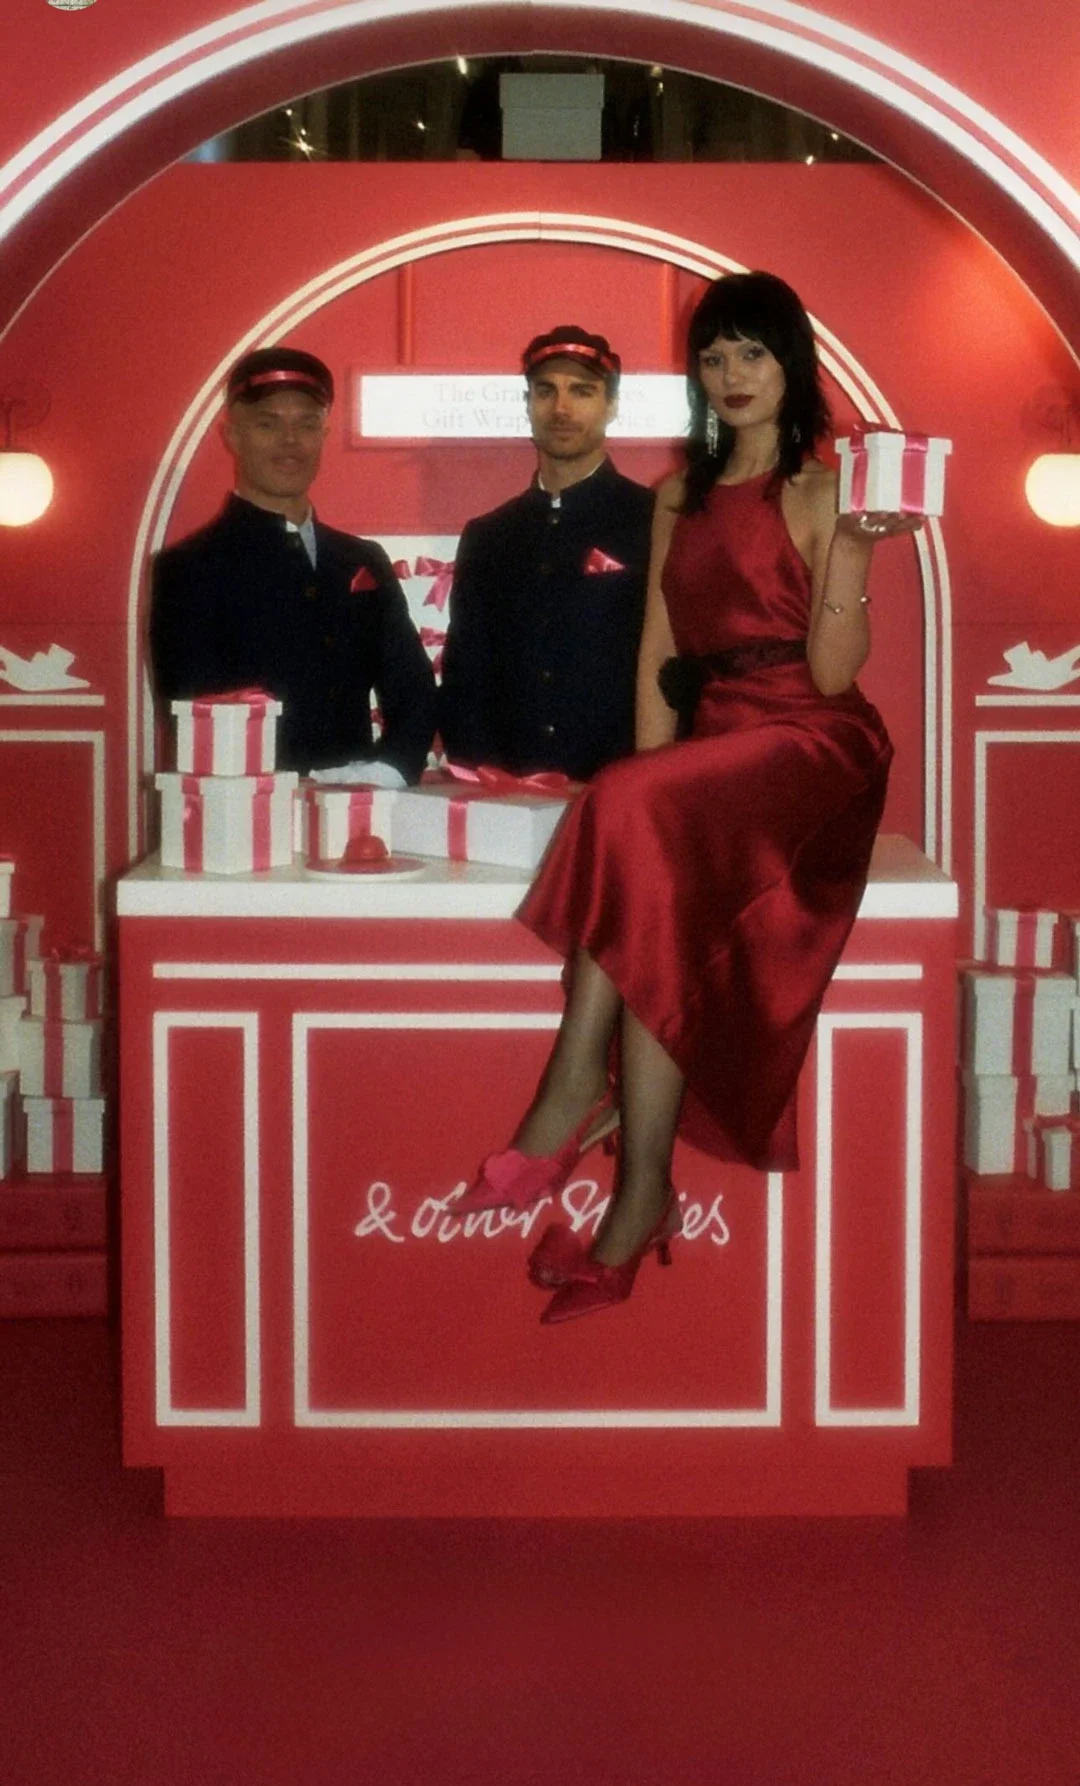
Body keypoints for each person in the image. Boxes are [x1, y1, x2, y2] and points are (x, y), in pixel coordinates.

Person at [454, 271, 920, 1322]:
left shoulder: (829, 490)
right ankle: (640, 1195)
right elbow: (660, 655)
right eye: (713, 357)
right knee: (649, 887)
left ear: (791, 362)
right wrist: (644, 785)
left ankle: (572, 1093)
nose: (731, 375)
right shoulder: (679, 495)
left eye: (752, 352)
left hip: (813, 741)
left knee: (632, 807)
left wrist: (853, 547)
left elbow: (836, 674)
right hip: (712, 746)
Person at [150, 347, 437, 783]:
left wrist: (386, 773)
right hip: (244, 810)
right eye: (268, 424)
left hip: (359, 809)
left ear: (324, 433)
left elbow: (413, 690)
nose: (290, 441)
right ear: (232, 434)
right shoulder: (188, 569)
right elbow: (194, 713)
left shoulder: (362, 560)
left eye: (306, 424)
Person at [439, 325, 654, 781]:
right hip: (504, 796)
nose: (561, 408)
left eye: (582, 391)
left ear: (612, 405)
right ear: (527, 404)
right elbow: (465, 678)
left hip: (621, 790)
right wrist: (486, 783)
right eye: (545, 391)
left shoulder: (655, 521)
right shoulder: (489, 536)